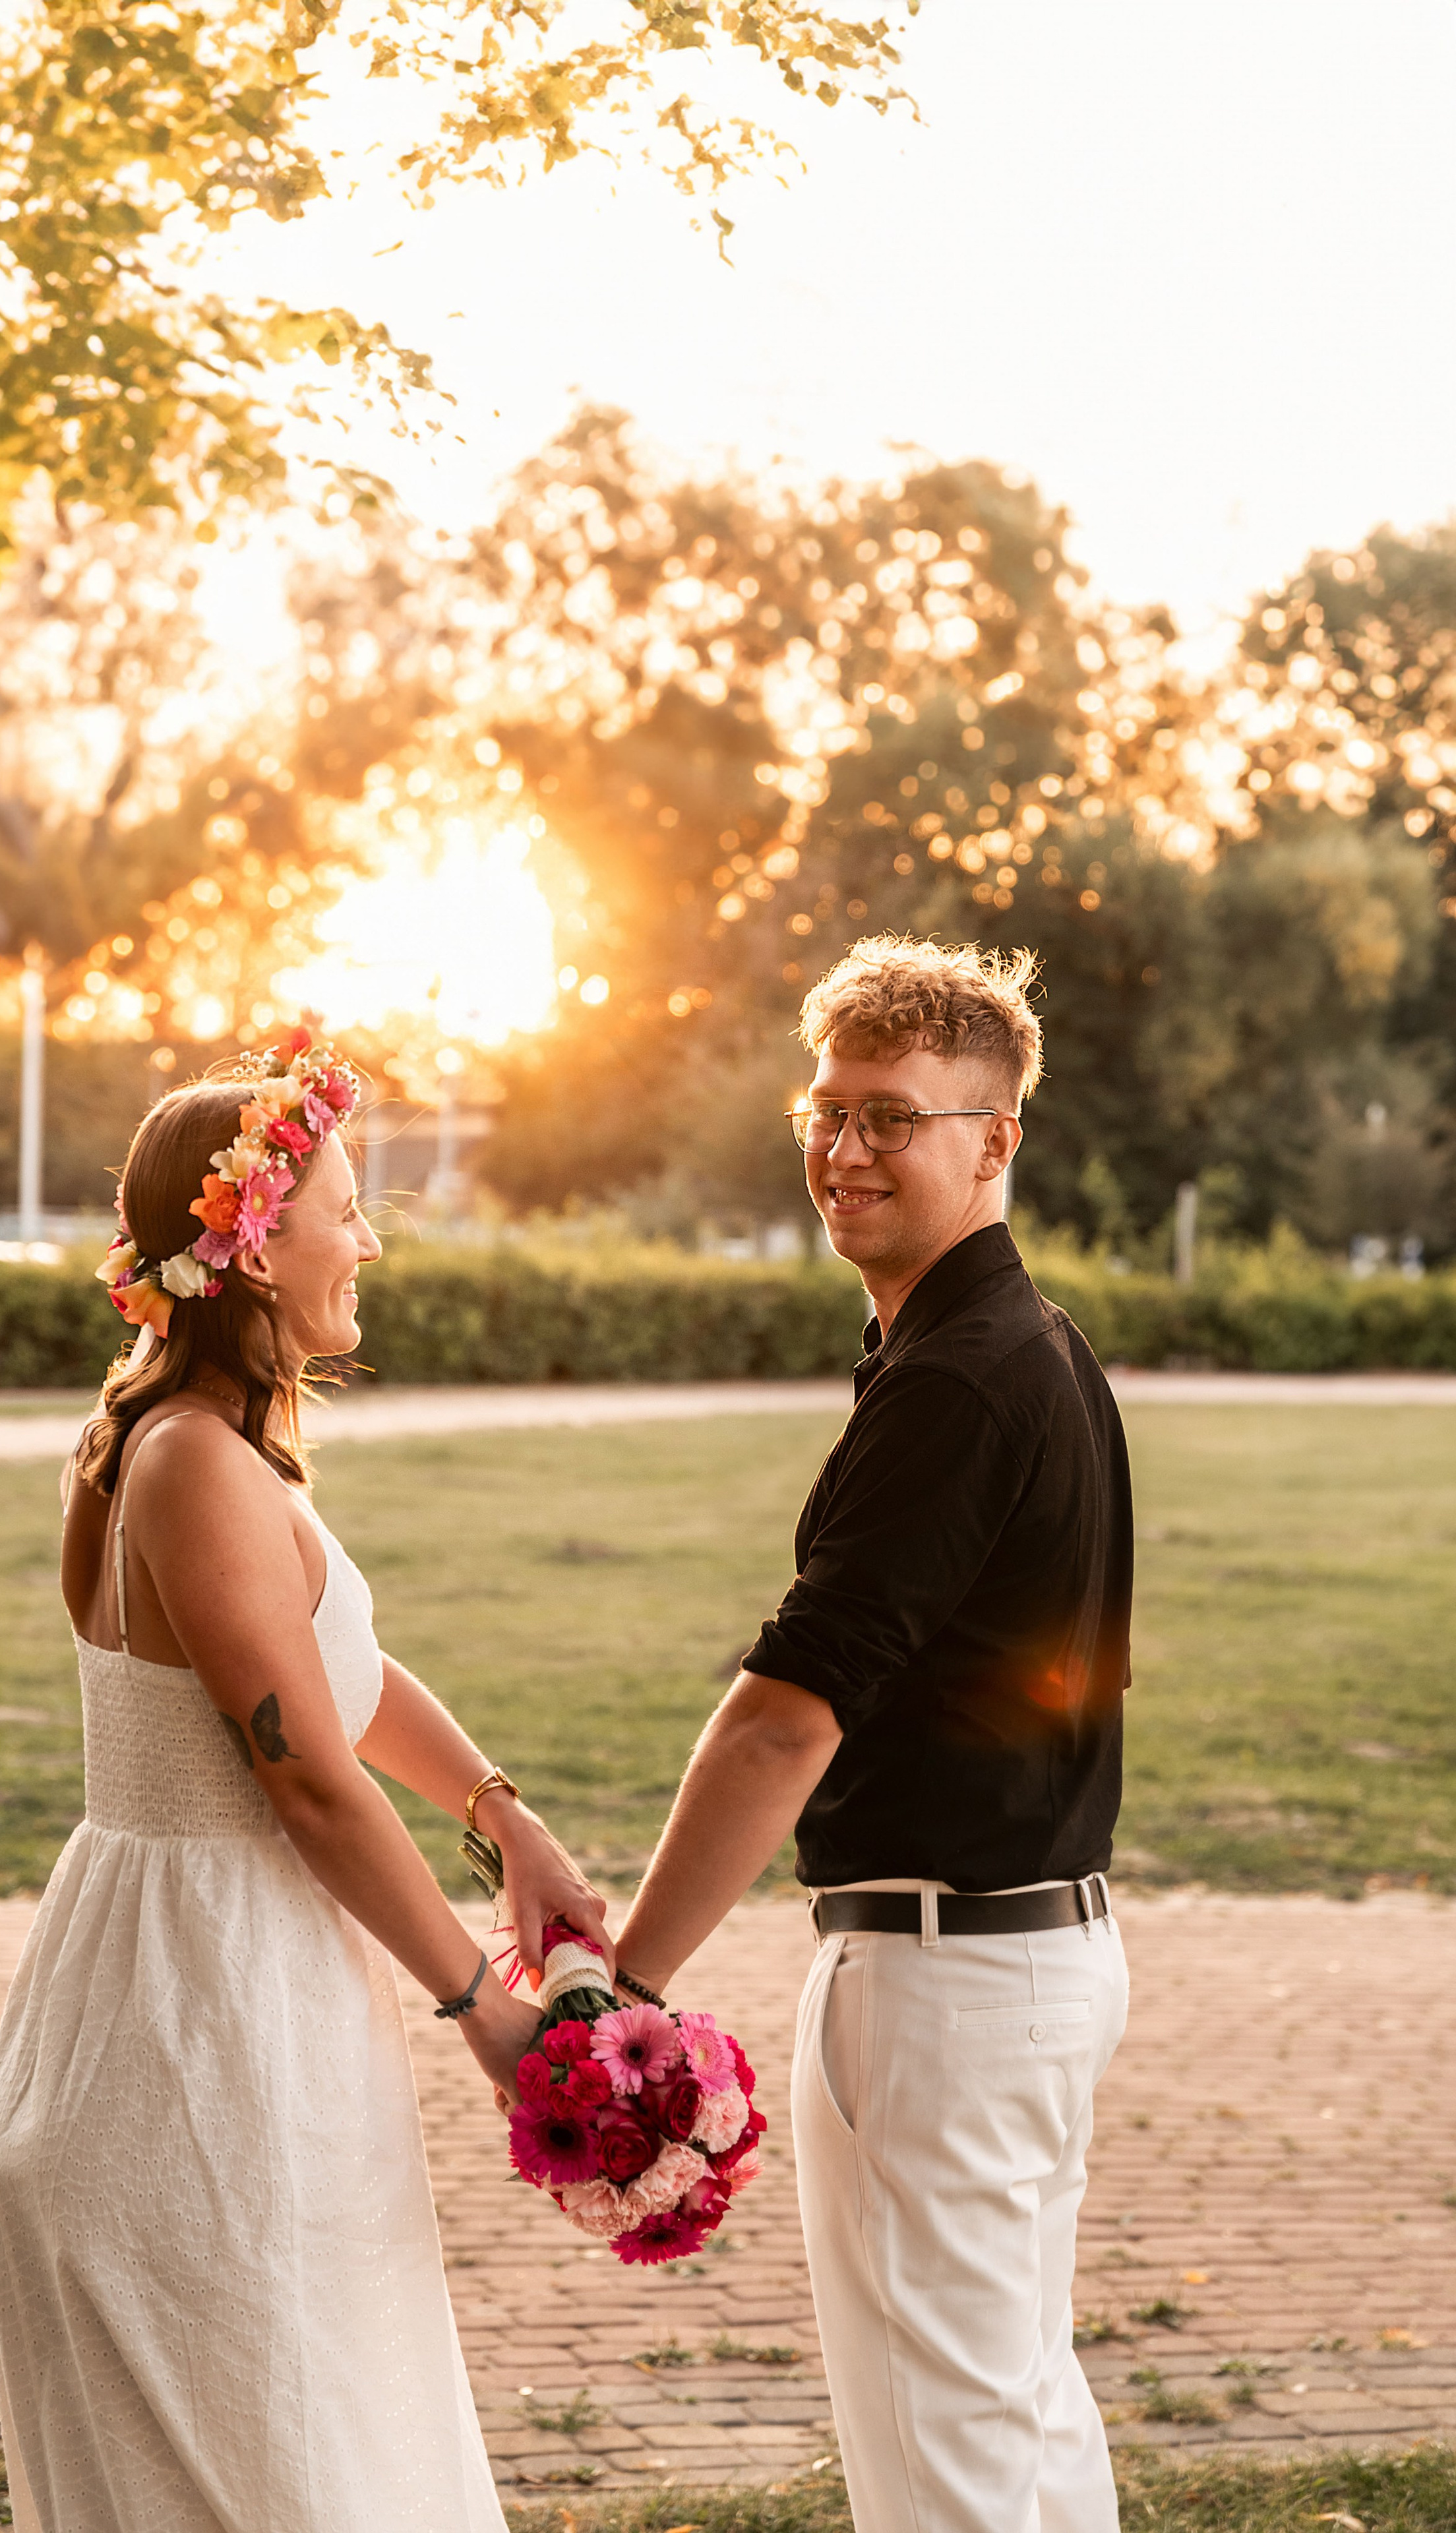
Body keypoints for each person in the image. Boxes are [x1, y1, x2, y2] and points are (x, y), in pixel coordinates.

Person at [0, 1030, 609, 2533]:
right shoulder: (190, 1460)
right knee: (289, 2467)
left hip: (212, 1983)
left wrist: (499, 1814)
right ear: (254, 1245)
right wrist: (483, 2007)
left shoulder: (183, 1442)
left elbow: (347, 1681)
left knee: (316, 2438)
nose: (369, 1238)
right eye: (345, 1204)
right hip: (202, 2026)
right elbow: (311, 1783)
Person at [613, 936, 1134, 2533]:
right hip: (1024, 1966)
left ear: (994, 1142)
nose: (844, 1149)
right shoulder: (1014, 1344)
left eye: (892, 1117)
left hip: (944, 1985)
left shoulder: (962, 1377)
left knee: (948, 2467)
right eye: (826, 1111)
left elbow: (784, 1720)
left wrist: (625, 1983)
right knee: (1018, 2424)